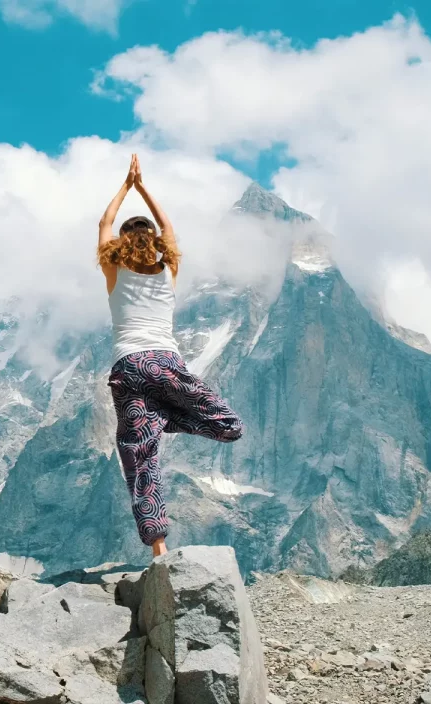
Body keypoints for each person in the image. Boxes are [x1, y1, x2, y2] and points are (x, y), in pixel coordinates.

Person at [97, 153, 245, 559]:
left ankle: (158, 547)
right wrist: (143, 188)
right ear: (153, 242)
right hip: (165, 364)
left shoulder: (114, 272)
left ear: (123, 243)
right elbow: (169, 228)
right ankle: (163, 419)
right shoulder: (168, 271)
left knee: (140, 457)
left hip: (128, 368)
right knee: (229, 426)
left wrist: (125, 187)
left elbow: (103, 225)